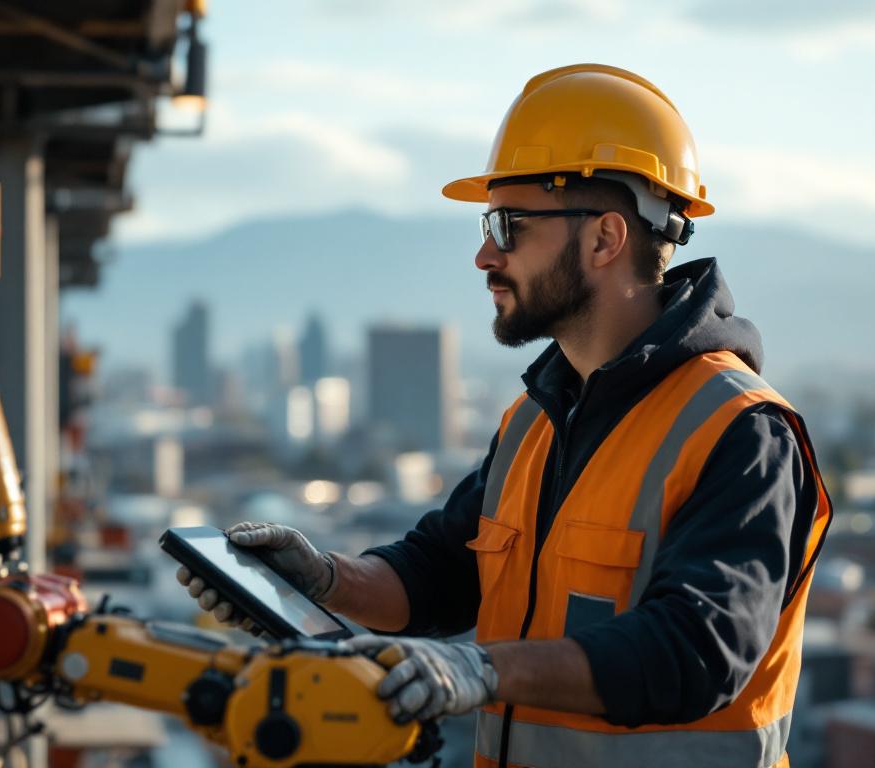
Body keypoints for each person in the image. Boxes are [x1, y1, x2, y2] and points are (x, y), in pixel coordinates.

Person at [177, 64, 831, 768]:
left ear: (606, 239)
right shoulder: (538, 418)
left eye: (508, 226)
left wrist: (483, 671)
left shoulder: (741, 430)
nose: (485, 254)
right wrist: (324, 579)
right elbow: (441, 573)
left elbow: (697, 651)